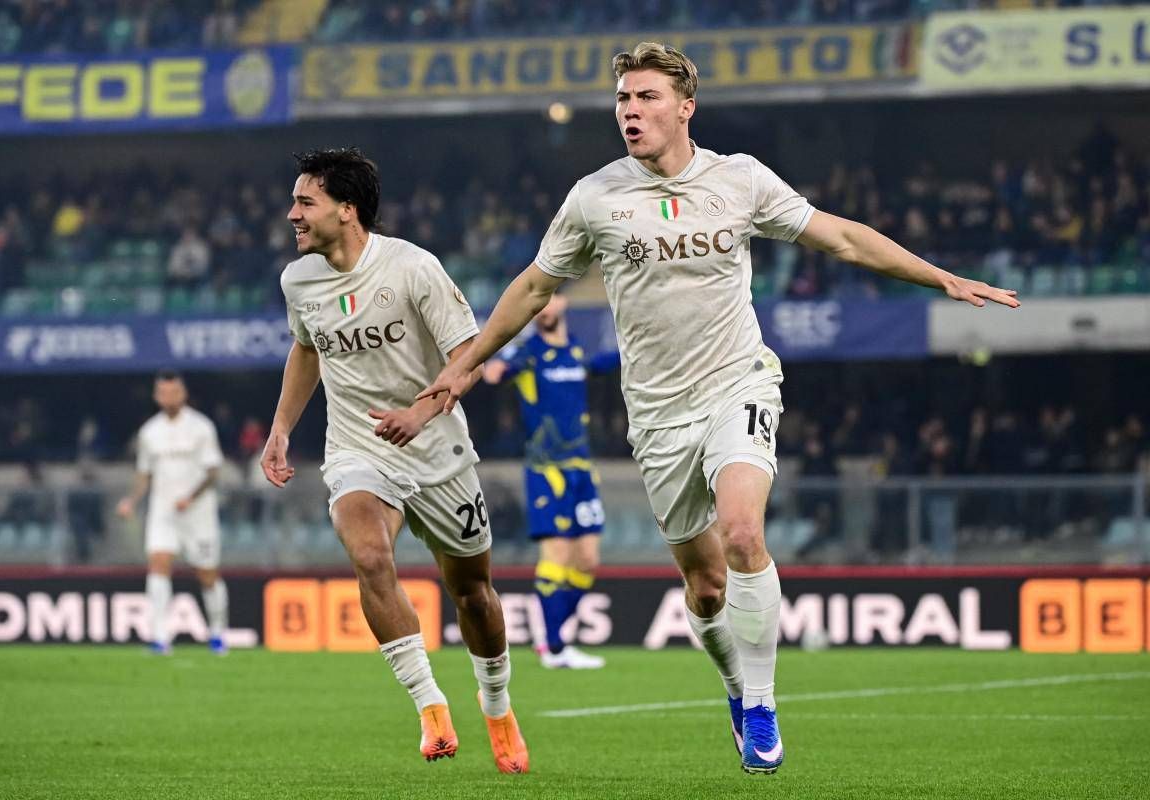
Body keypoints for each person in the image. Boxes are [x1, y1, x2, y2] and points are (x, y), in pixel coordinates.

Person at [416, 43, 1020, 775]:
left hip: (738, 383)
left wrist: (940, 277)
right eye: (622, 98)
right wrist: (463, 364)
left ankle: (762, 706)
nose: (630, 110)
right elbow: (535, 287)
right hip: (657, 414)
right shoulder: (594, 197)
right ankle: (736, 687)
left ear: (685, 107)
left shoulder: (740, 179)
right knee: (704, 589)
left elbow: (841, 237)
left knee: (742, 532)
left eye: (646, 97)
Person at [259, 148, 529, 774]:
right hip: (358, 448)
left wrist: (420, 412)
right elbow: (307, 350)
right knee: (370, 554)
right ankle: (431, 707)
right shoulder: (298, 280)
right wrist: (280, 428)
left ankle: (496, 706)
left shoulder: (412, 267)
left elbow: (468, 357)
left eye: (305, 202)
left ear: (346, 210)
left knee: (473, 594)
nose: (292, 214)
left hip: (437, 451)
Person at [482, 293, 617, 669]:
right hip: (546, 470)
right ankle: (555, 647)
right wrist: (496, 368)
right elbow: (494, 371)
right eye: (538, 303)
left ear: (562, 303)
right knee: (555, 556)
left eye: (550, 299)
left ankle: (552, 637)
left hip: (582, 468)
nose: (543, 308)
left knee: (587, 561)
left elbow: (605, 363)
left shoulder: (576, 350)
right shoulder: (528, 353)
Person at [117, 370, 228, 655]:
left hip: (198, 514)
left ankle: (217, 633)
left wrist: (190, 498)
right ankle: (159, 637)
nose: (169, 397)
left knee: (207, 574)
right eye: (163, 393)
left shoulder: (202, 427)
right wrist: (131, 500)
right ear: (157, 396)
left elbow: (213, 472)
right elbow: (144, 473)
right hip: (163, 513)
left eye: (174, 392)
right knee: (158, 564)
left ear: (184, 393)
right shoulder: (149, 432)